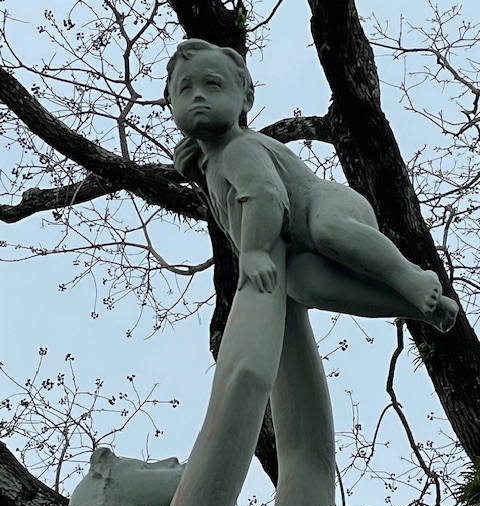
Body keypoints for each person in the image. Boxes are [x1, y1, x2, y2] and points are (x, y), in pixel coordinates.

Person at [64, 252, 374, 506]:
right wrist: (260, 252)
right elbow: (243, 380)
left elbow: (308, 459)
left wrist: (291, 304)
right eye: (144, 467)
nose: (167, 459)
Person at [165, 39, 458, 332]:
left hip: (323, 204)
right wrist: (200, 177)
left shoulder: (239, 148)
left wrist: (254, 252)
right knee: (302, 284)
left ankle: (410, 277)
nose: (198, 95)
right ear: (171, 102)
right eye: (185, 89)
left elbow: (266, 195)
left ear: (246, 99)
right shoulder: (213, 164)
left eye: (213, 85)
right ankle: (417, 308)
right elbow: (233, 219)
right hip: (297, 243)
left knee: (327, 229)